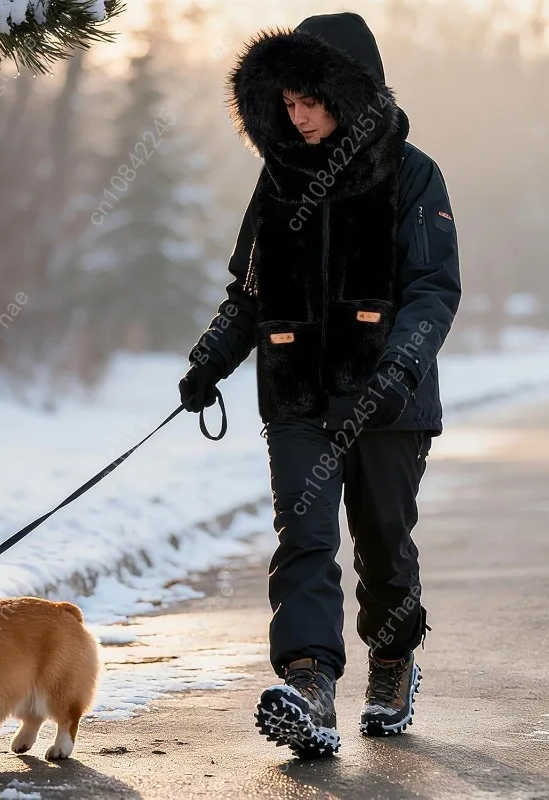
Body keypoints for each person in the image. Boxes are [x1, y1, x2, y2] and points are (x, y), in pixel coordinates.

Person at [179, 12, 461, 759]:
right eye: (286, 102)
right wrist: (210, 360)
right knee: (303, 540)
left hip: (388, 402)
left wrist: (399, 366)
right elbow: (247, 292)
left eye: (309, 98)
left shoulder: (413, 174)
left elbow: (434, 290)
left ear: (349, 91)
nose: (295, 115)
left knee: (383, 547)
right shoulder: (277, 183)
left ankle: (394, 661)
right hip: (298, 396)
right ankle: (309, 687)